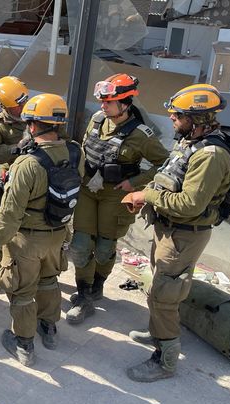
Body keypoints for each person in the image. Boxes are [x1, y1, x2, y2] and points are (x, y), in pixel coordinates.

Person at [123, 84, 230, 382]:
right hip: (169, 230)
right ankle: (158, 330)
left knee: (165, 295)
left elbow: (189, 204)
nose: (172, 119)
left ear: (197, 120)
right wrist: (148, 193)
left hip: (184, 234)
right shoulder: (191, 141)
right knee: (159, 284)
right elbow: (170, 179)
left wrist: (145, 197)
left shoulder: (210, 155)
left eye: (177, 116)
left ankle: (165, 360)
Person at [0, 94, 84, 366]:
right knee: (49, 281)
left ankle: (24, 344)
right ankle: (48, 328)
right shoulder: (75, 152)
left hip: (27, 241)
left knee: (22, 292)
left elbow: (9, 215)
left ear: (34, 126)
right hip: (58, 233)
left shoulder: (27, 164)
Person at [66, 73, 169, 324]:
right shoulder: (97, 119)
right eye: (102, 101)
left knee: (104, 248)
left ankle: (97, 286)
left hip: (116, 195)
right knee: (80, 245)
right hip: (88, 189)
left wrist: (134, 183)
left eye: (108, 102)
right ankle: (84, 295)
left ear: (125, 103)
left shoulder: (141, 135)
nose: (102, 106)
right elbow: (84, 148)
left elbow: (164, 164)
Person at [0, 76, 30, 293]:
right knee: (2, 223)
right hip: (11, 180)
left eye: (23, 102)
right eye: (16, 106)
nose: (22, 108)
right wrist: (15, 149)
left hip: (35, 179)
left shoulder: (36, 113)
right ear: (4, 106)